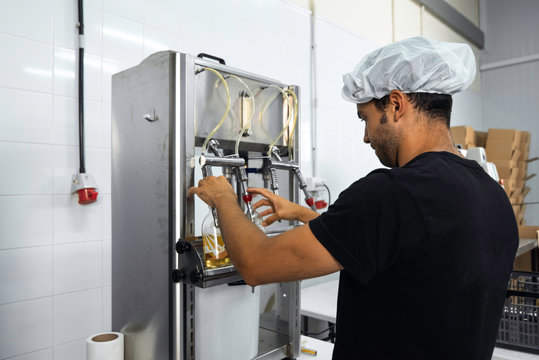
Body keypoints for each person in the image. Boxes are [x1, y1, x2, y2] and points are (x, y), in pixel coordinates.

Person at [188, 37, 518, 360]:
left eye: (366, 118)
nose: (365, 136)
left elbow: (256, 265)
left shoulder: (390, 193)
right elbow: (411, 250)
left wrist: (223, 198)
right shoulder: (492, 194)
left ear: (396, 104)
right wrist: (306, 215)